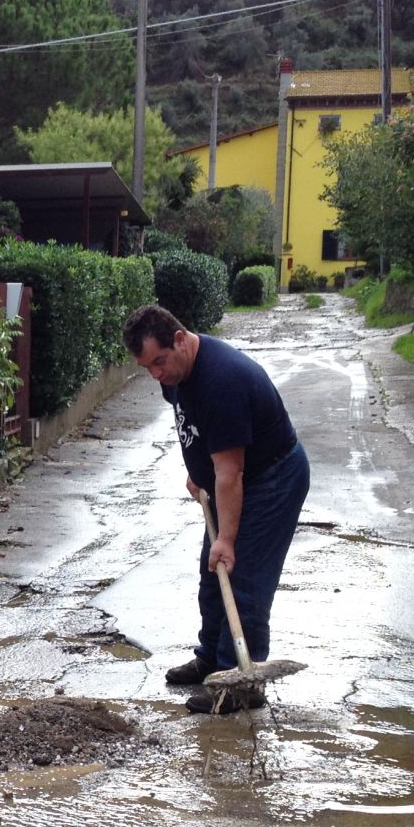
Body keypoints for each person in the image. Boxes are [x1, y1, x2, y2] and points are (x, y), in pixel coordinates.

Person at [126, 305, 309, 713]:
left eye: (158, 361)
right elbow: (192, 427)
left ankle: (239, 683)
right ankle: (212, 659)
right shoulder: (175, 373)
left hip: (272, 479)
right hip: (232, 479)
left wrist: (226, 538)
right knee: (212, 573)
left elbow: (231, 471)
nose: (155, 374)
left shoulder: (222, 380)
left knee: (241, 575)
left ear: (180, 339)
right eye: (146, 367)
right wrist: (197, 473)